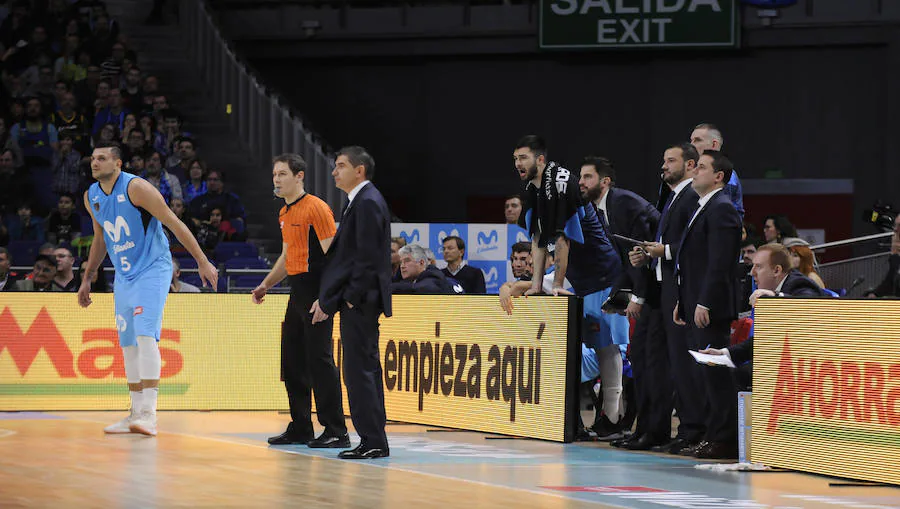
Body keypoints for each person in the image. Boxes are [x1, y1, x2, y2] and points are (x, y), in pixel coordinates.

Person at [79, 141, 218, 437]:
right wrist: (87, 277)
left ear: (118, 164)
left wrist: (202, 261)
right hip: (125, 275)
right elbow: (100, 239)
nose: (95, 163)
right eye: (93, 158)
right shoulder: (91, 196)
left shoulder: (136, 188)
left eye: (102, 158)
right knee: (128, 344)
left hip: (153, 269)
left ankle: (150, 415)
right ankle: (134, 413)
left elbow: (173, 222)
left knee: (144, 337)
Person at [511, 135, 629, 427]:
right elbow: (539, 240)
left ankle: (612, 417)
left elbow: (562, 240)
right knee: (588, 341)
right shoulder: (532, 189)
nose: (518, 164)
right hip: (582, 277)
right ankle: (581, 417)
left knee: (607, 345)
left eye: (523, 158)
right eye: (515, 159)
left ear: (540, 160)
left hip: (605, 275)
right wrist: (537, 286)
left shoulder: (561, 183)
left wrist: (559, 283)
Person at [252, 153, 348, 448]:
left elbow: (334, 256)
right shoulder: (284, 212)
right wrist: (267, 284)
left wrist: (326, 298)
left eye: (282, 174)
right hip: (297, 291)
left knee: (319, 361)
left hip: (317, 291)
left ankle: (336, 430)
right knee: (292, 361)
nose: (276, 180)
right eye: (274, 175)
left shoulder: (316, 208)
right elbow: (286, 255)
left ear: (299, 176)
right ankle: (301, 426)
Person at [311, 146, 392, 460]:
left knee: (360, 372)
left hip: (361, 301)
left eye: (341, 166)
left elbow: (366, 259)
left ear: (359, 171)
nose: (334, 172)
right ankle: (372, 438)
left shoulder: (368, 202)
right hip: (358, 299)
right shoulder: (360, 201)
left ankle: (373, 439)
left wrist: (350, 299)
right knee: (361, 370)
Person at [672, 151, 742, 459]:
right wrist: (683, 300)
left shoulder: (722, 208)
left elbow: (719, 262)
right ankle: (712, 435)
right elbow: (693, 262)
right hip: (695, 302)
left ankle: (724, 439)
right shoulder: (704, 207)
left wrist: (704, 302)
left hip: (710, 308)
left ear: (719, 177)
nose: (694, 172)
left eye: (701, 168)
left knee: (715, 376)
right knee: (703, 375)